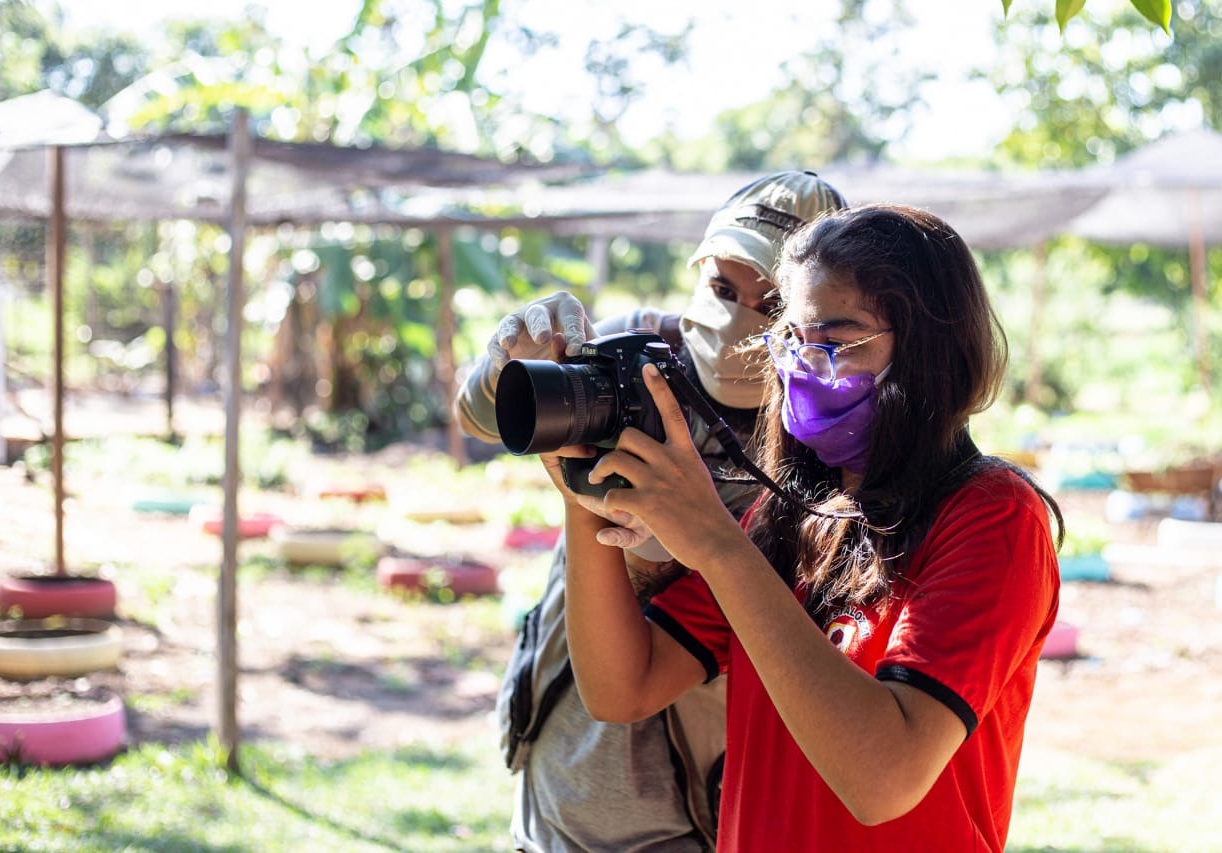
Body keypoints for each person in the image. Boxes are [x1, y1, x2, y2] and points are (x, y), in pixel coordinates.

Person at [543, 203, 1065, 851]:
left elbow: (883, 777)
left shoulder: (992, 517)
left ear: (932, 350)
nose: (804, 365)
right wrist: (583, 492)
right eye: (792, 338)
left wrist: (719, 546)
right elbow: (624, 685)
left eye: (838, 341)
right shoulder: (790, 518)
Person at [454, 172, 848, 851]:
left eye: (771, 301)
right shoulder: (626, 357)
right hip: (550, 797)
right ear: (698, 267)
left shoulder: (815, 461)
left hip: (684, 816)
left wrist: (669, 536)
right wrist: (504, 360)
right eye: (723, 286)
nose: (737, 317)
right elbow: (478, 414)